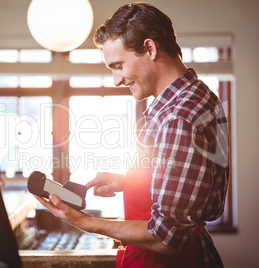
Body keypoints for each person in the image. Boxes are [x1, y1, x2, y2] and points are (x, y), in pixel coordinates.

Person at [33, 2, 229, 267]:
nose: (116, 80)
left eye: (119, 65)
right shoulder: (196, 96)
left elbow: (167, 238)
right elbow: (193, 186)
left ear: (150, 48)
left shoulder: (178, 117)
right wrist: (130, 182)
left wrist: (87, 223)